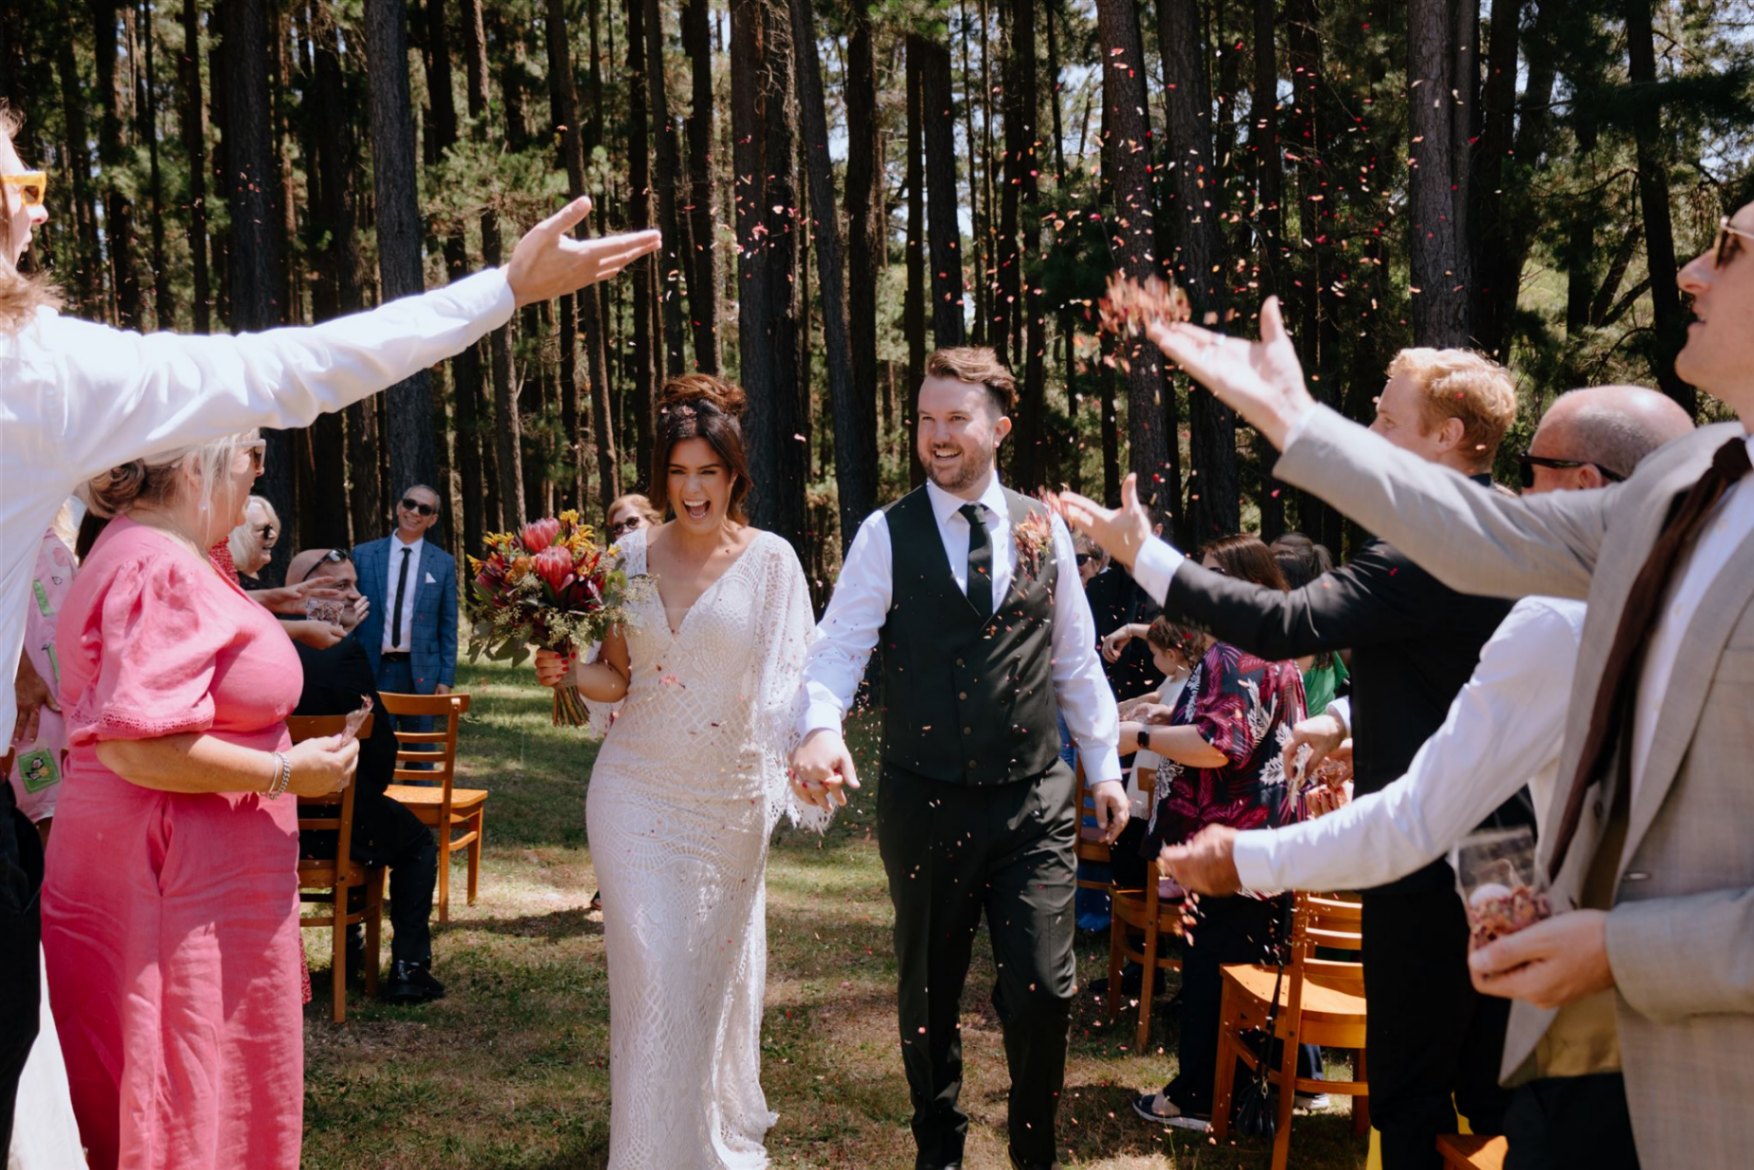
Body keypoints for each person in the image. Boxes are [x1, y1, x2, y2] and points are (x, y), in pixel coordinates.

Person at [1, 98, 655, 1147]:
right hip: (162, 882)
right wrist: (502, 290)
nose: (39, 212)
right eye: (21, 187)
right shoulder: (34, 380)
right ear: (198, 460)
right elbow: (291, 367)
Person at [1125, 204, 1754, 1170]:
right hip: (1559, 961)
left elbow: (1384, 733)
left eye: (1731, 250)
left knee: (1423, 1096)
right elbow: (1480, 538)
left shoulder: (1559, 601)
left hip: (1676, 1045)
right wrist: (1293, 419)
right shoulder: (1703, 483)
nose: (1692, 274)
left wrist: (1619, 949)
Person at [1058, 347, 1530, 1168]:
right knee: (1495, 1085)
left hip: (1427, 856)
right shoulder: (1516, 529)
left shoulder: (1423, 542)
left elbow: (1283, 624)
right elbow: (1473, 675)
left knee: (1410, 1087)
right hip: (1512, 850)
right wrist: (1345, 720)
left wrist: (1145, 554)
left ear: (1449, 435)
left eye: (1388, 417)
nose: (1370, 428)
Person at [790, 347, 1126, 1170]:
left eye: (956, 419)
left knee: (1044, 990)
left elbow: (1075, 660)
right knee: (930, 995)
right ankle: (937, 1149)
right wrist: (821, 726)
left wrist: (1106, 767)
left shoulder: (1044, 529)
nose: (936, 436)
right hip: (926, 802)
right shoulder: (886, 534)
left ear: (999, 429)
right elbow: (838, 648)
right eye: (925, 420)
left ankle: (1034, 1154)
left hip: (1034, 803)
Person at [1159, 387, 1693, 901]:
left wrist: (1250, 858)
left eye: (1531, 469)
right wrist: (1347, 718)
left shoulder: (1550, 612)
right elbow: (1471, 676)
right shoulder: (1686, 604)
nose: (1523, 493)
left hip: (1482, 883)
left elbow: (1420, 811)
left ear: (1585, 484)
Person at [41, 433, 360, 1170]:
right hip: (172, 886)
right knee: (174, 1092)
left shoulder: (162, 548)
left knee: (195, 1084)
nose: (260, 472)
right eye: (252, 452)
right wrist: (286, 774)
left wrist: (267, 606)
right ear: (196, 464)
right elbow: (136, 746)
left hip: (183, 882)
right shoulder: (156, 563)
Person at [533, 374, 820, 1169]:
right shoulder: (626, 559)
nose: (694, 490)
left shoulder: (772, 564)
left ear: (734, 475)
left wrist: (809, 752)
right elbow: (615, 677)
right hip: (634, 792)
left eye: (709, 473)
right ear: (662, 478)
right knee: (653, 979)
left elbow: (795, 686)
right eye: (679, 473)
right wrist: (568, 671)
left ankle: (697, 1140)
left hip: (729, 805)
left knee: (699, 984)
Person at [1116, 535, 1312, 1128]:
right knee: (1251, 971)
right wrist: (1171, 714)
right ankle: (1265, 1088)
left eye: (1210, 576)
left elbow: (1217, 745)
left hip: (1227, 847)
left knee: (1212, 976)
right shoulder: (1272, 644)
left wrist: (1138, 737)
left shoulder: (1235, 653)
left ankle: (1199, 1099)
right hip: (1267, 845)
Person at [286, 547, 444, 1005]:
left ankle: (352, 945)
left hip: (272, 814)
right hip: (337, 817)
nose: (356, 595)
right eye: (341, 586)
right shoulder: (344, 652)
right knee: (415, 842)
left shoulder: (263, 645)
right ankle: (408, 967)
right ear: (301, 588)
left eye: (355, 584)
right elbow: (381, 750)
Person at [353, 485, 458, 702]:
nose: (415, 512)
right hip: (370, 667)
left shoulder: (443, 563)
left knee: (421, 727)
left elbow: (448, 626)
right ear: (399, 507)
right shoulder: (363, 555)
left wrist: (445, 679)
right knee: (373, 725)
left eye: (424, 509)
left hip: (423, 673)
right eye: (410, 504)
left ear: (432, 520)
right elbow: (348, 613)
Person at [228, 494, 281, 581]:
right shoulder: (229, 578)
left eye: (271, 527)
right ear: (238, 538)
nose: (273, 535)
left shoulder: (266, 572)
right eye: (262, 529)